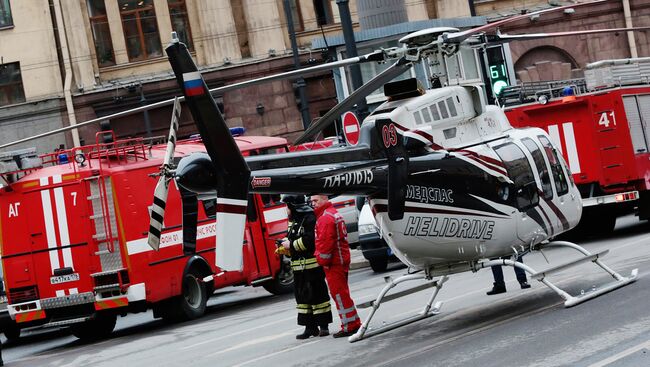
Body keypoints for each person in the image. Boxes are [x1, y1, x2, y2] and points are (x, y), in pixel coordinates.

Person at [278, 195, 332, 339]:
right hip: (298, 269)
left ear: (293, 205)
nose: (285, 209)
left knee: (318, 296)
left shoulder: (309, 218)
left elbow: (310, 241)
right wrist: (284, 244)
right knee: (303, 299)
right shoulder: (294, 220)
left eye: (286, 206)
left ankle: (324, 326)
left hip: (312, 267)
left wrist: (292, 245)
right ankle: (310, 328)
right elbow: (292, 236)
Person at [310, 194, 362, 338]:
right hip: (340, 260)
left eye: (316, 200)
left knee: (339, 295)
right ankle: (353, 322)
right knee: (343, 294)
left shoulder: (325, 218)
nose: (313, 203)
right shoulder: (331, 214)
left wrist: (321, 260)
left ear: (325, 199)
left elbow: (325, 244)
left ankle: (350, 326)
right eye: (311, 201)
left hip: (334, 263)